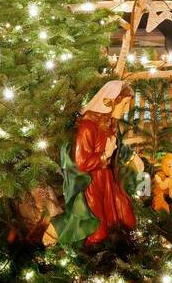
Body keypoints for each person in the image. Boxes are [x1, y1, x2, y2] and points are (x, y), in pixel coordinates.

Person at [54, 80, 141, 246]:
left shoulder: (110, 126)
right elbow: (81, 162)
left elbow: (118, 150)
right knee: (98, 229)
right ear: (110, 102)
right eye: (124, 103)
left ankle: (120, 248)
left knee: (125, 217)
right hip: (92, 182)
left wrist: (129, 157)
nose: (126, 109)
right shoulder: (88, 127)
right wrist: (104, 155)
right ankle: (96, 255)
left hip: (108, 178)